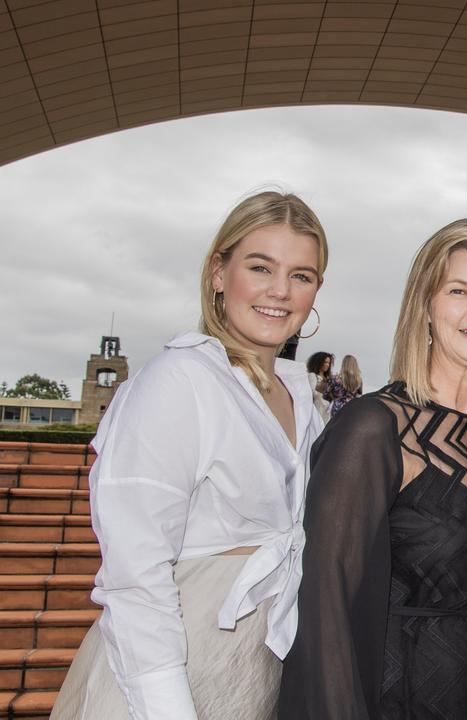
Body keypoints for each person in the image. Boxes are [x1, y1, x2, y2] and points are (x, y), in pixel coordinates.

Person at [52, 191, 329, 720]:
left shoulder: (304, 398)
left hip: (255, 678)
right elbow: (136, 576)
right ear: (218, 273)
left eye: (301, 275)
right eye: (260, 267)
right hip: (163, 679)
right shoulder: (178, 382)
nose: (280, 291)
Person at [280, 219, 467, 719]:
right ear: (426, 306)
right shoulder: (374, 427)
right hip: (395, 696)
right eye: (458, 290)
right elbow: (325, 606)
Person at [306, 351, 334, 419]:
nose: (327, 365)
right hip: (316, 411)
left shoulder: (329, 379)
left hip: (327, 411)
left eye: (329, 363)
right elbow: (310, 393)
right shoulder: (313, 376)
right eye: (325, 362)